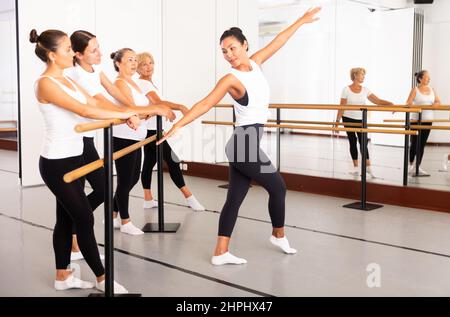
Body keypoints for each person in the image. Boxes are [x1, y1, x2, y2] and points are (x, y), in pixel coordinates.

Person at [158, 7, 322, 265]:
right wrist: (180, 125)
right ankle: (278, 235)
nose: (228, 55)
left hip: (245, 143)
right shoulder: (230, 79)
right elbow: (204, 104)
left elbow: (280, 40)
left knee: (234, 199)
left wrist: (301, 20)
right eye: (224, 51)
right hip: (243, 144)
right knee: (278, 187)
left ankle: (220, 252)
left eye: (232, 48)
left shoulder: (255, 63)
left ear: (245, 45)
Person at [31, 28, 138, 293]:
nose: (72, 53)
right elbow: (84, 110)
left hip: (76, 158)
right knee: (84, 219)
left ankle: (62, 276)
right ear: (52, 55)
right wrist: (129, 114)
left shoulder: (68, 80)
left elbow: (93, 101)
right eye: (67, 49)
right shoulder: (45, 83)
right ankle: (103, 280)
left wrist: (133, 111)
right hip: (57, 164)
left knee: (66, 219)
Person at [67, 31, 171, 257]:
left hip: (87, 142)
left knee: (104, 188)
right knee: (89, 192)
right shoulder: (76, 75)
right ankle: (80, 235)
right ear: (77, 54)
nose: (99, 53)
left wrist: (131, 112)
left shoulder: (97, 71)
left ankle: (78, 231)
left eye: (99, 48)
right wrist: (129, 115)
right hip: (75, 141)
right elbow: (99, 101)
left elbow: (116, 96)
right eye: (93, 50)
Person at [111, 48, 176, 235]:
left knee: (132, 179)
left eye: (134, 60)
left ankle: (113, 214)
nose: (133, 63)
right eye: (129, 60)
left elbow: (142, 111)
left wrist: (152, 111)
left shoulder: (134, 83)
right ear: (118, 63)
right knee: (125, 181)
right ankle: (125, 221)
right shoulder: (120, 83)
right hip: (124, 137)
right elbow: (132, 109)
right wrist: (157, 110)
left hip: (135, 137)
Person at [136, 52, 205, 211]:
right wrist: (180, 107)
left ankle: (147, 199)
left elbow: (155, 106)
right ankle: (189, 197)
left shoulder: (149, 83)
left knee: (149, 162)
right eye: (144, 64)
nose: (148, 67)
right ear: (138, 68)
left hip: (152, 128)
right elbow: (158, 103)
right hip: (150, 131)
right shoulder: (143, 84)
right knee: (173, 161)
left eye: (150, 63)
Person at [335, 68, 393, 178]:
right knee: (352, 141)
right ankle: (356, 169)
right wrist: (337, 122)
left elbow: (378, 101)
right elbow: (341, 107)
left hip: (361, 119)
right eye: (362, 75)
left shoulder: (365, 89)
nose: (363, 77)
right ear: (355, 75)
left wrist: (390, 104)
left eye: (364, 75)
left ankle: (368, 168)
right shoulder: (346, 89)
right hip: (348, 118)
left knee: (363, 142)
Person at [406, 70, 441, 176]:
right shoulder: (415, 90)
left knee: (422, 144)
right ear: (420, 79)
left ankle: (418, 166)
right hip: (416, 120)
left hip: (427, 120)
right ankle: (410, 165)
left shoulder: (432, 90)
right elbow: (408, 103)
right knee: (414, 144)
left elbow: (438, 101)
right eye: (426, 77)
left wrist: (436, 104)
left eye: (429, 77)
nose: (429, 79)